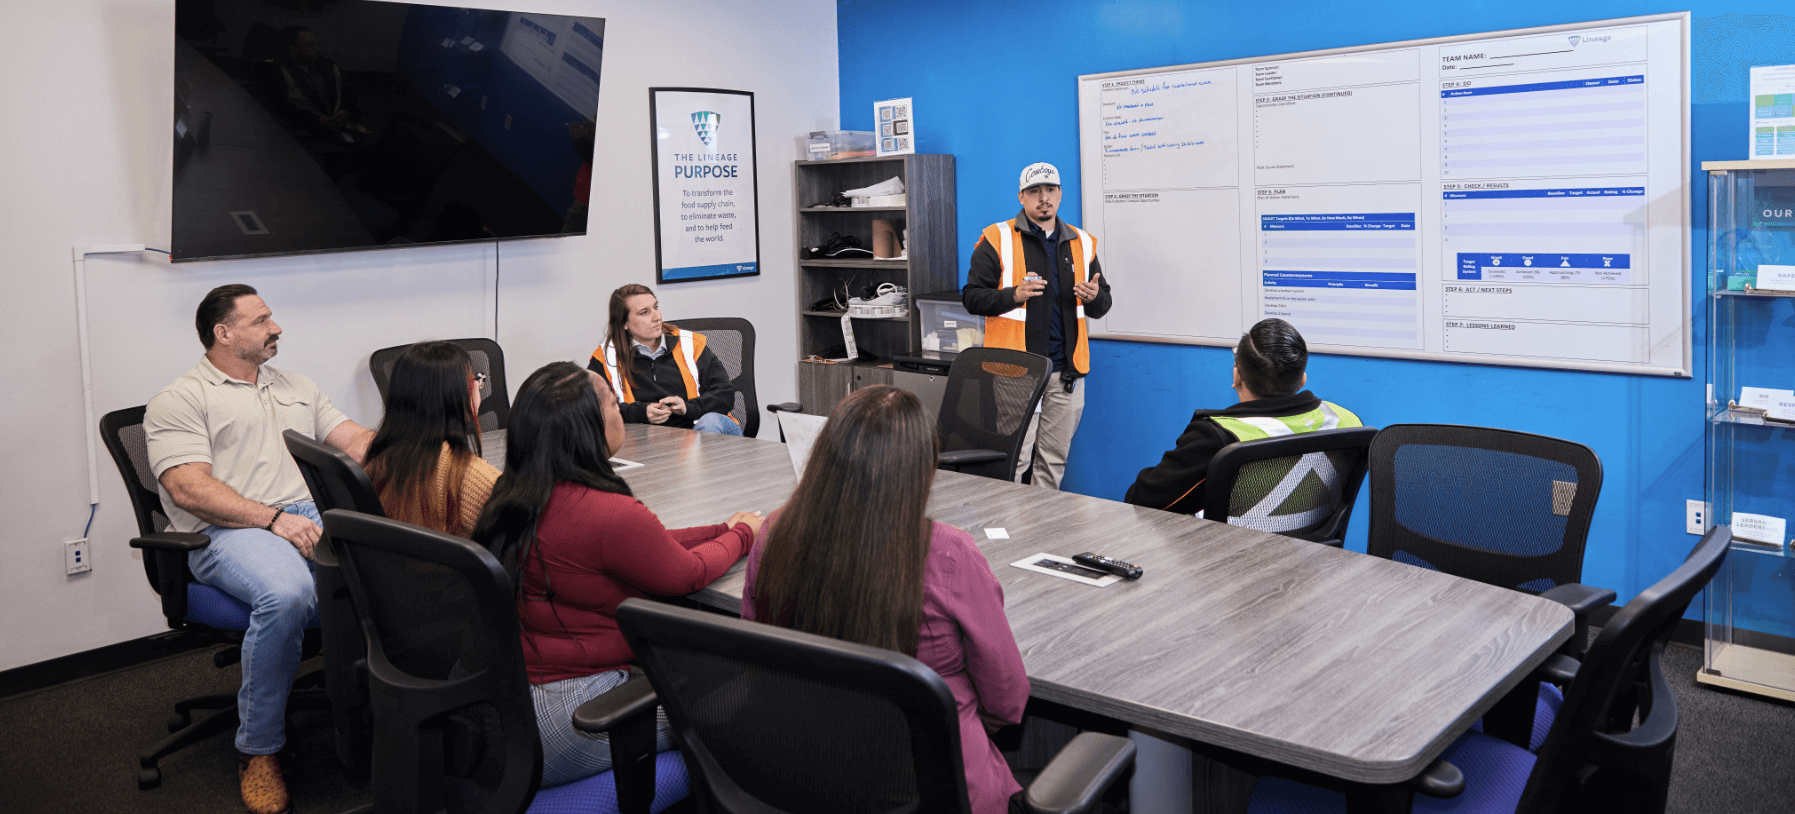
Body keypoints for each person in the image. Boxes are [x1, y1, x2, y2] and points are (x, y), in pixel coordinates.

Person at [471, 362, 763, 786]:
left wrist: (722, 528)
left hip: (507, 706)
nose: (622, 408)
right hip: (572, 719)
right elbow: (686, 574)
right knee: (754, 694)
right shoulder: (605, 513)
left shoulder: (515, 495)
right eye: (613, 402)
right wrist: (743, 536)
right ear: (588, 427)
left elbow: (649, 545)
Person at [743, 386, 1028, 814]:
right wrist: (959, 718)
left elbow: (757, 648)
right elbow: (1006, 700)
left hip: (810, 774)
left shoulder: (776, 532)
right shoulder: (948, 553)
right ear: (922, 471)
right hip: (936, 786)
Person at [145, 284, 374, 814]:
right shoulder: (180, 399)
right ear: (224, 333)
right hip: (226, 530)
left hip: (305, 516)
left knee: (402, 565)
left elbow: (354, 441)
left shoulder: (296, 386)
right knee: (289, 597)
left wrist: (419, 438)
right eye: (263, 319)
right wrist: (274, 519)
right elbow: (188, 489)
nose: (276, 327)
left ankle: (382, 712)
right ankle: (258, 749)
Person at [962, 161, 1113, 490]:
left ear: (1060, 194)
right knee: (1014, 460)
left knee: (1053, 462)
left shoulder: (1083, 242)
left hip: (1066, 373)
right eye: (1034, 191)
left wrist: (1094, 297)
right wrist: (1012, 295)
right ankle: (1007, 537)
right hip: (1017, 371)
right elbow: (972, 298)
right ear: (1021, 197)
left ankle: (1038, 537)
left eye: (1050, 189)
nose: (1043, 197)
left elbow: (1103, 305)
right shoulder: (996, 237)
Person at [1125, 318, 1363, 515]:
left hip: (1231, 561)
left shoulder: (1216, 438)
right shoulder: (1347, 421)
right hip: (1311, 557)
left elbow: (1144, 500)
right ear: (1302, 380)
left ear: (1237, 376)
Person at [362, 341, 499, 537]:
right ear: (458, 395)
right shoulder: (476, 479)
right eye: (473, 379)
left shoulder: (377, 462)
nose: (478, 384)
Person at [587, 284, 741, 436]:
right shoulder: (606, 358)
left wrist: (687, 407)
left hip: (699, 429)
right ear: (624, 323)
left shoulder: (690, 345)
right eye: (644, 312)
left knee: (711, 422)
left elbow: (725, 394)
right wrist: (639, 413)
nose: (657, 317)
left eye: (656, 307)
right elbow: (592, 409)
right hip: (646, 442)